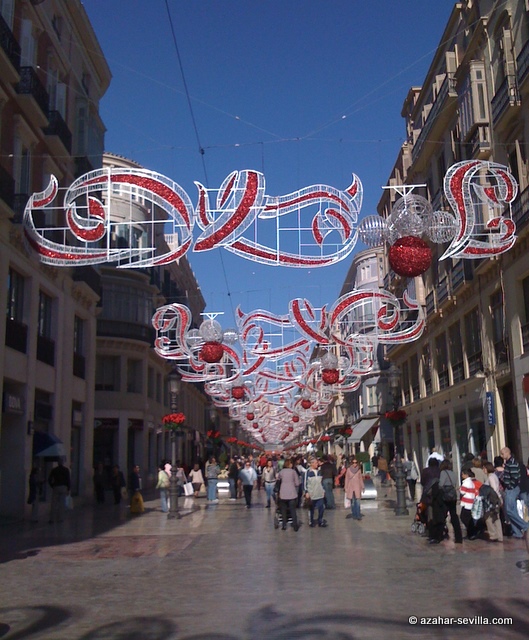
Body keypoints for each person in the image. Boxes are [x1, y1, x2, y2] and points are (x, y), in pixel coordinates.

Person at [500, 447, 529, 539]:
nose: (501, 456)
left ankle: (525, 526)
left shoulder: (512, 462)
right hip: (511, 488)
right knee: (511, 510)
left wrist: (510, 486)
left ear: (507, 453)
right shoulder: (508, 463)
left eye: (502, 453)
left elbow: (516, 476)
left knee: (509, 510)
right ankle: (517, 532)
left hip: (512, 488)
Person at [438, 459, 462, 544]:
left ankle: (440, 535)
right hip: (453, 496)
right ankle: (458, 537)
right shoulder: (453, 473)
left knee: (442, 515)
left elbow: (441, 484)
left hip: (445, 496)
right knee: (454, 515)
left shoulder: (443, 473)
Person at [277, 458, 300, 530]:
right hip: (292, 493)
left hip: (283, 493)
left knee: (283, 510)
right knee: (293, 510)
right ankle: (295, 525)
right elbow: (297, 483)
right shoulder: (293, 472)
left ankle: (284, 525)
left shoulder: (281, 472)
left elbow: (278, 480)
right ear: (289, 464)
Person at [483, 461, 503, 542]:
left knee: (488, 518)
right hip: (496, 498)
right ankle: (499, 535)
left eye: (484, 468)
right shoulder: (493, 476)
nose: (483, 470)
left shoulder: (491, 477)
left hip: (493, 500)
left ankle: (493, 535)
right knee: (496, 518)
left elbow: (494, 489)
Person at [304, 458, 327, 527]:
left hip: (319, 493)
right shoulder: (308, 472)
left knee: (321, 507)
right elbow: (305, 482)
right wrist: (306, 492)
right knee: (311, 508)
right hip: (311, 493)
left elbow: (321, 482)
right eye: (316, 463)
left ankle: (320, 521)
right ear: (312, 464)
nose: (317, 464)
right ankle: (311, 521)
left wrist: (323, 490)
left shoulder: (319, 471)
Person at [48, 459, 71, 523]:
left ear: (58, 463)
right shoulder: (66, 470)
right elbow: (68, 480)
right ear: (63, 463)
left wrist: (52, 485)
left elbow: (49, 479)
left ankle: (52, 518)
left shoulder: (54, 470)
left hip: (56, 486)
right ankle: (60, 518)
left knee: (54, 504)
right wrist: (68, 489)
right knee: (62, 504)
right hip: (63, 487)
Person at [460, 468, 480, 540]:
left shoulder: (466, 482)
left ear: (466, 475)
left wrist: (460, 489)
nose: (462, 476)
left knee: (464, 517)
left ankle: (472, 532)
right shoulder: (471, 482)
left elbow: (462, 492)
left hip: (467, 502)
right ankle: (470, 533)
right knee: (467, 517)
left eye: (462, 474)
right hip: (470, 501)